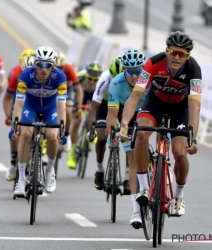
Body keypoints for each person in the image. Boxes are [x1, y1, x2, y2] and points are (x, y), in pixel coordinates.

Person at [120, 31, 201, 217]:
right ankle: (144, 188)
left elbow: (194, 106)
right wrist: (125, 123)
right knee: (140, 133)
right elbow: (136, 96)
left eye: (182, 54)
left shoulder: (193, 69)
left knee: (180, 152)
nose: (177, 57)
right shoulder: (153, 63)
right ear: (167, 51)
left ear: (187, 56)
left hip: (180, 109)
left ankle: (179, 197)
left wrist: (193, 137)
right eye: (174, 52)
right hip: (154, 104)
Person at [11, 46, 67, 196]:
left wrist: (62, 130)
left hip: (51, 108)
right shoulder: (25, 75)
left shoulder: (60, 77)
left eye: (48, 65)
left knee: (52, 136)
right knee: (25, 134)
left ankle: (49, 171)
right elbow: (19, 104)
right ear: (34, 64)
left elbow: (62, 107)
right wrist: (15, 126)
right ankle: (21, 179)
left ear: (53, 66)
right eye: (40, 64)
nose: (43, 69)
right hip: (31, 106)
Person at [106, 50, 147, 228]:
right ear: (124, 71)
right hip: (127, 116)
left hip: (148, 112)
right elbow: (112, 114)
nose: (135, 75)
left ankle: (161, 168)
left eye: (139, 70)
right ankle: (136, 211)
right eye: (131, 71)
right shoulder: (116, 83)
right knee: (132, 157)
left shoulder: (149, 81)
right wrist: (112, 132)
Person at [86, 57, 133, 194]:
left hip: (124, 105)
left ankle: (127, 177)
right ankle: (99, 170)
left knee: (129, 138)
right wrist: (91, 129)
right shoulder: (104, 79)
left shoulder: (131, 80)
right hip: (106, 105)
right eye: (114, 78)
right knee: (101, 136)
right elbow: (94, 108)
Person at [4, 55, 35, 181]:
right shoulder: (17, 75)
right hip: (20, 102)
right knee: (14, 126)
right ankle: (13, 162)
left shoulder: (45, 77)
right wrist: (9, 116)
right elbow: (7, 98)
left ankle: (39, 151)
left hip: (37, 103)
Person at [67, 61, 102, 169]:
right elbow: (72, 92)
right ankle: (72, 154)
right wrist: (74, 105)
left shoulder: (102, 81)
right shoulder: (80, 77)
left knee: (94, 116)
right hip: (81, 98)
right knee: (76, 122)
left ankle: (92, 132)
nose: (92, 82)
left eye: (95, 80)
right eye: (90, 79)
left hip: (94, 99)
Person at [54, 51, 83, 152]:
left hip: (67, 90)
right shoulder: (47, 70)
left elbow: (79, 89)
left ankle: (66, 134)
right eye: (56, 68)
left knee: (67, 111)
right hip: (53, 90)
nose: (59, 70)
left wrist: (78, 106)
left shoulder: (69, 69)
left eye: (61, 68)